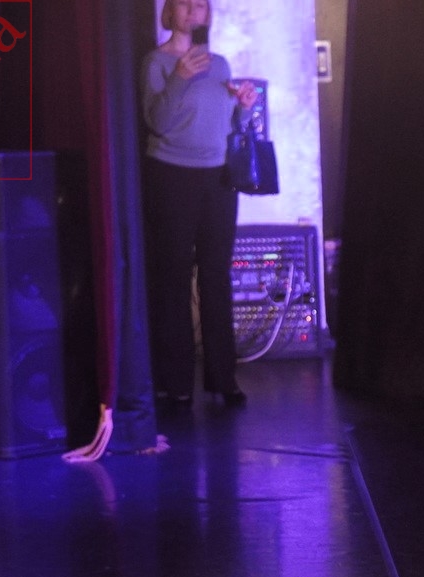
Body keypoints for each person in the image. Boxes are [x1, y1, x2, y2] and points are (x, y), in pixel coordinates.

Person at [141, 0, 258, 408]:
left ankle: (223, 378)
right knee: (173, 277)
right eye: (186, 3)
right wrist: (179, 77)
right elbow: (158, 122)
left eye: (202, 4)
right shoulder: (156, 63)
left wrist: (245, 109)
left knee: (216, 275)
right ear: (170, 13)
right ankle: (175, 383)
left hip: (218, 177)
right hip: (172, 175)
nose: (195, 9)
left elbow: (232, 126)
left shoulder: (220, 64)